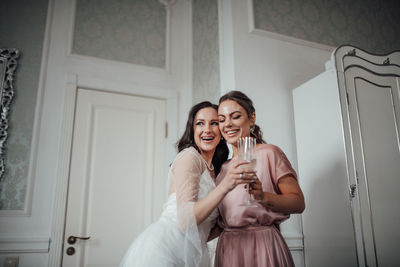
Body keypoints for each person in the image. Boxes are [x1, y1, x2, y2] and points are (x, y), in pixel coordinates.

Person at [120, 101, 252, 267]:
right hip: (166, 249)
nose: (207, 130)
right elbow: (185, 219)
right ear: (193, 129)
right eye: (200, 123)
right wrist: (225, 186)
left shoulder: (216, 170)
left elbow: (203, 229)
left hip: (193, 251)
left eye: (214, 123)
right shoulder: (189, 157)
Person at [214, 91, 305, 267]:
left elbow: (299, 203)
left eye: (235, 116)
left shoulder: (270, 153)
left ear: (252, 118)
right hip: (229, 249)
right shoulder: (223, 168)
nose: (228, 124)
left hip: (263, 246)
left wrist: (263, 196)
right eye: (222, 119)